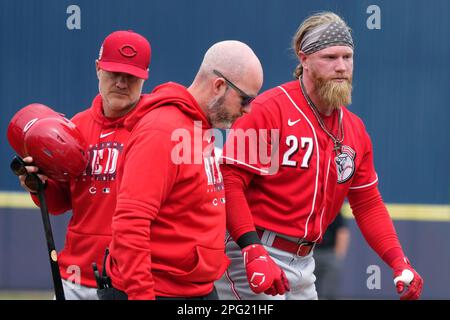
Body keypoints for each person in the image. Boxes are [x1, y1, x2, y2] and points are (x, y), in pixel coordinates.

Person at [215, 12, 423, 300]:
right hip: (250, 252)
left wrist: (399, 261)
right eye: (329, 57)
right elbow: (230, 180)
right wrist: (251, 248)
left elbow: (368, 203)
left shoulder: (354, 129)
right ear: (304, 60)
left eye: (347, 57)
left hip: (305, 262)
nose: (341, 67)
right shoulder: (269, 109)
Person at [104, 40, 263, 300]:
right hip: (161, 292)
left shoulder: (199, 127)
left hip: (195, 291)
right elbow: (130, 224)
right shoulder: (163, 130)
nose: (248, 110)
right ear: (219, 86)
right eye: (245, 99)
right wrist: (142, 296)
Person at [15, 30, 152, 299]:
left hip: (128, 281)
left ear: (145, 77)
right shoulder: (75, 127)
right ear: (98, 69)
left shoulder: (154, 128)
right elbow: (59, 203)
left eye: (132, 76)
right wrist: (38, 186)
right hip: (73, 277)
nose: (122, 83)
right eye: (114, 73)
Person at [313, 211, 350, 299]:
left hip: (329, 253)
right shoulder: (311, 209)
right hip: (311, 254)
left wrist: (338, 256)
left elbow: (342, 231)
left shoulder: (334, 211)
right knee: (310, 290)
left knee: (330, 291)